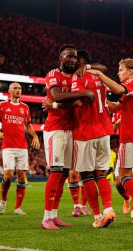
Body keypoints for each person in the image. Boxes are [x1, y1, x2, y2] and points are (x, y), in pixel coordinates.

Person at [88, 58, 133, 226]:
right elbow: (117, 107)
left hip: (131, 135)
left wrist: (100, 75)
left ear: (130, 71)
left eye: (121, 70)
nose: (118, 73)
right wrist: (100, 100)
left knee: (123, 175)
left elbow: (116, 88)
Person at [41, 44, 95, 230]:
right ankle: (46, 218)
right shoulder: (53, 74)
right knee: (55, 172)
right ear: (60, 58)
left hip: (72, 129)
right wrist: (84, 93)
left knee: (64, 175)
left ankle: (54, 216)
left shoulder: (76, 75)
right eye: (68, 56)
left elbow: (76, 102)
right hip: (55, 129)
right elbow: (56, 96)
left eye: (74, 57)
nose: (71, 59)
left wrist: (86, 68)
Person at [71, 50, 116, 228]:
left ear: (81, 62)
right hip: (104, 130)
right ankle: (108, 209)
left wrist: (57, 103)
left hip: (86, 131)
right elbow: (103, 69)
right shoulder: (100, 76)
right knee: (101, 174)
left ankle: (98, 216)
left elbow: (79, 100)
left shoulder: (79, 77)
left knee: (86, 175)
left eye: (75, 61)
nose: (73, 63)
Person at [0, 82, 40, 216]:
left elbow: (29, 125)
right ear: (9, 90)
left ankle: (18, 207)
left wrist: (35, 136)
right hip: (8, 145)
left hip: (22, 146)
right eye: (15, 88)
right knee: (8, 175)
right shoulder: (2, 105)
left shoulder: (25, 107)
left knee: (22, 176)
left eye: (19, 88)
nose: (18, 90)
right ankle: (3, 200)